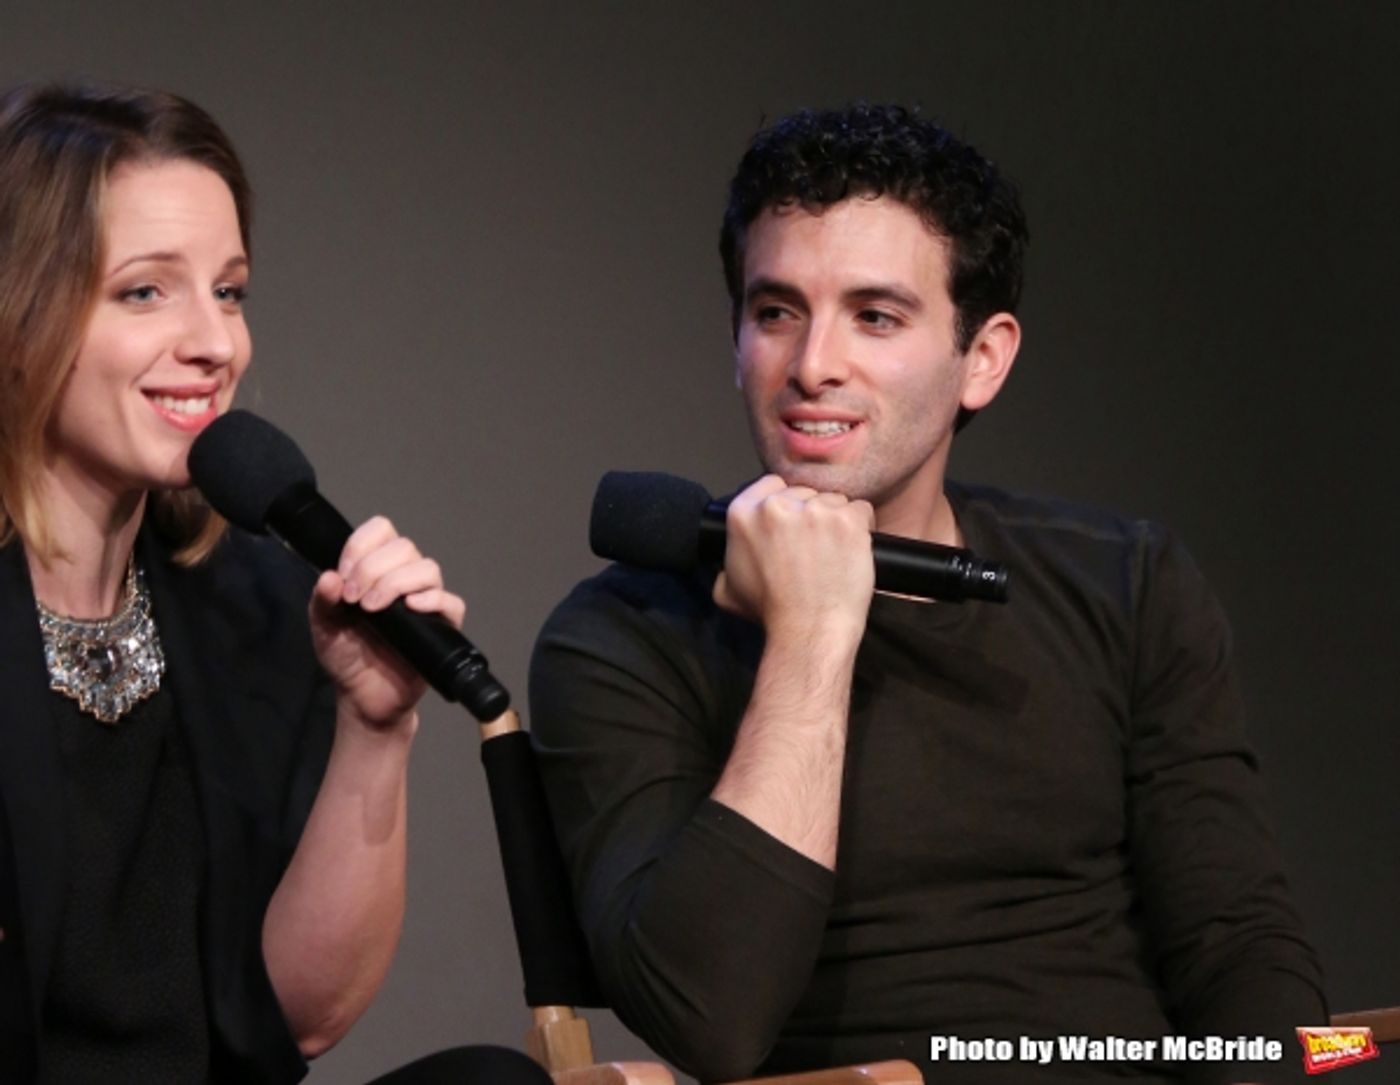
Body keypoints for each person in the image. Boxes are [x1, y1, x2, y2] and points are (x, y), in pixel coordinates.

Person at [529, 104, 1326, 1084]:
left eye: (874, 316)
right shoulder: (625, 634)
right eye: (776, 311)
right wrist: (812, 633)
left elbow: (1238, 946)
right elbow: (710, 1018)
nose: (812, 365)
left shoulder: (1125, 581)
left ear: (981, 358)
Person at [0, 82, 550, 1085]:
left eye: (229, 291)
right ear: (18, 310)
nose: (215, 343)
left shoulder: (252, 598)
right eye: (145, 291)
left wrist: (375, 726)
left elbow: (298, 1017)